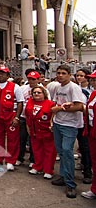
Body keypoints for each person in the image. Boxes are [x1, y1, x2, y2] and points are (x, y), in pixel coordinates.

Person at [47, 64, 86, 198]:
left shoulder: (74, 87)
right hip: (58, 123)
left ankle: (70, 184)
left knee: (67, 151)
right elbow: (55, 104)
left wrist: (59, 109)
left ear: (69, 74)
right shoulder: (58, 87)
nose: (60, 75)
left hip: (70, 125)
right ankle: (63, 176)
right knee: (62, 152)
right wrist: (53, 118)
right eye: (58, 73)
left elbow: (79, 106)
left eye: (63, 73)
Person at [25, 85, 56, 179]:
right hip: (34, 131)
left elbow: (53, 117)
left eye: (39, 92)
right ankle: (38, 167)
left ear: (44, 94)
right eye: (34, 92)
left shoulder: (50, 104)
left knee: (49, 151)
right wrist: (28, 128)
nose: (36, 94)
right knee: (36, 150)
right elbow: (27, 116)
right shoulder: (30, 102)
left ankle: (48, 170)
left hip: (46, 131)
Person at [82, 70, 96, 199]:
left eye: (95, 79)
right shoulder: (93, 94)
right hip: (92, 132)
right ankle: (94, 189)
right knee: (95, 162)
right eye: (92, 79)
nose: (93, 81)